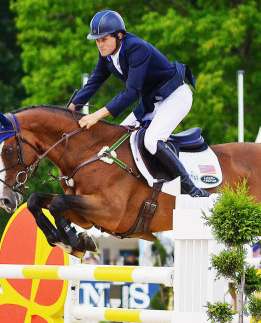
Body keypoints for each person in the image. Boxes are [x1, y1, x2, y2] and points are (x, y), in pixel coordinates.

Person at [68, 10, 208, 198]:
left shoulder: (137, 49)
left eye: (103, 39)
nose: (99, 44)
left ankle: (193, 190)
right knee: (118, 139)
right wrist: (71, 108)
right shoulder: (107, 55)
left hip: (175, 97)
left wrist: (96, 115)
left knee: (151, 140)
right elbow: (94, 82)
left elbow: (132, 92)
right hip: (153, 101)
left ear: (119, 36)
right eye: (97, 40)